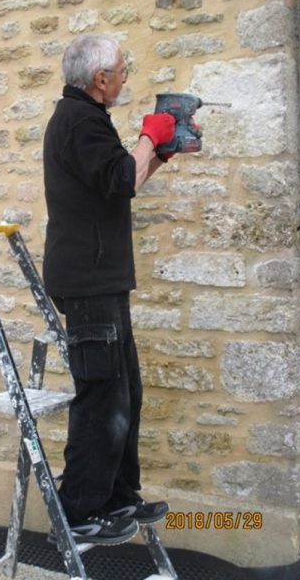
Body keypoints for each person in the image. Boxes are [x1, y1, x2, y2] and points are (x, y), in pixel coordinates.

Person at [42, 34, 176, 546]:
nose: (125, 76)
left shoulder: (87, 120)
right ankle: (78, 512)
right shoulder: (77, 121)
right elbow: (121, 176)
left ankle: (119, 497)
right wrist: (148, 133)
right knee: (102, 398)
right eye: (122, 69)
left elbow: (121, 180)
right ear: (101, 79)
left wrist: (162, 150)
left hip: (103, 279)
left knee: (126, 394)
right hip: (88, 282)